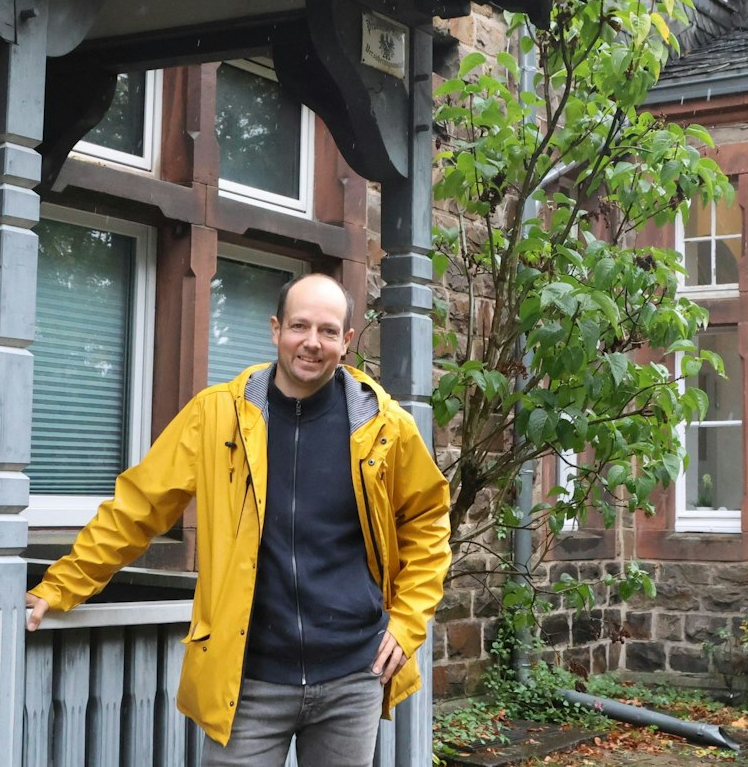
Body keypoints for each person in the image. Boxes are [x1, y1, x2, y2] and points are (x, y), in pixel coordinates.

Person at [25, 272, 451, 766]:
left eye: (328, 331)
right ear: (275, 330)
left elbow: (428, 521)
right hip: (248, 677)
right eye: (299, 326)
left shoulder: (383, 425)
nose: (311, 343)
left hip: (352, 677)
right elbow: (136, 509)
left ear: (347, 341)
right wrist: (60, 586)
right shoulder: (216, 416)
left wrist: (406, 622)